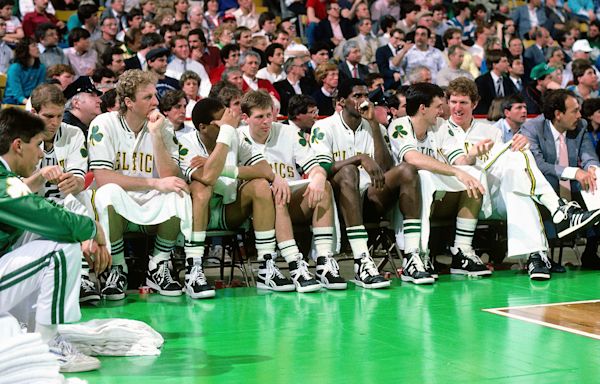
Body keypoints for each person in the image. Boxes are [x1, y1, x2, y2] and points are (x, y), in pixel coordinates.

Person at [447, 79, 600, 279]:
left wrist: (518, 146)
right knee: (520, 172)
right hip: (462, 199)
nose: (457, 108)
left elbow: (504, 169)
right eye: (453, 102)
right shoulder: (441, 129)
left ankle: (537, 256)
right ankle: (552, 224)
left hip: (492, 195)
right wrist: (473, 155)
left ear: (474, 104)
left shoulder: (490, 131)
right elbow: (455, 164)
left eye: (463, 102)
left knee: (520, 165)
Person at [0, 107, 109, 372]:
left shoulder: (6, 178)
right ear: (18, 146)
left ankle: (34, 329)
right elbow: (51, 218)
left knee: (43, 231)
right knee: (62, 248)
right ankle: (49, 345)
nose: (41, 154)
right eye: (38, 145)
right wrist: (93, 228)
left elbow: (29, 199)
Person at [88, 69, 192, 301]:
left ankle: (159, 264)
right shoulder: (103, 124)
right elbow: (103, 177)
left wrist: (156, 135)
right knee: (108, 192)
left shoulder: (162, 126)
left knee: (177, 189)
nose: (156, 102)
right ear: (128, 102)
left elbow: (169, 175)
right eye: (147, 97)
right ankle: (117, 267)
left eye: (154, 95)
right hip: (120, 203)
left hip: (151, 201)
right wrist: (155, 183)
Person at [310, 79, 423, 288]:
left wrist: (374, 125)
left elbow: (386, 169)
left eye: (365, 96)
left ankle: (411, 257)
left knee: (407, 169)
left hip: (370, 198)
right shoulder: (323, 127)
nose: (363, 101)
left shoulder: (374, 126)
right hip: (338, 200)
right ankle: (361, 259)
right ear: (342, 101)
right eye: (357, 96)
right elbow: (321, 169)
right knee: (348, 171)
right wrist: (359, 158)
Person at [176, 97, 293, 296]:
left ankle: (266, 266)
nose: (228, 126)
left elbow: (264, 169)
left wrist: (225, 168)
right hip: (194, 217)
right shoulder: (183, 142)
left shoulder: (236, 137)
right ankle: (193, 268)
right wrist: (227, 133)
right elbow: (208, 177)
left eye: (229, 123)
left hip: (229, 211)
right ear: (203, 127)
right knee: (201, 187)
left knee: (261, 186)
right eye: (222, 124)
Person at [239, 90, 342, 290]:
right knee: (276, 191)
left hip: (288, 200)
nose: (266, 121)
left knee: (324, 187)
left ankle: (324, 262)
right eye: (260, 117)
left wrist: (319, 177)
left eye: (269, 115)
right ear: (245, 118)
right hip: (254, 206)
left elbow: (315, 166)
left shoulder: (288, 132)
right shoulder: (237, 137)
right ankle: (294, 263)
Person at [388, 83, 490, 281]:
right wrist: (456, 172)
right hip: (403, 198)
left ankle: (462, 251)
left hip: (436, 194)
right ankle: (415, 254)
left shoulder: (441, 126)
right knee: (422, 176)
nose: (443, 111)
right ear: (422, 108)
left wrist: (471, 156)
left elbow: (458, 160)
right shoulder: (399, 125)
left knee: (473, 174)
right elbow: (413, 159)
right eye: (438, 106)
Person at [28, 84, 101, 302]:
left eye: (59, 116)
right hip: (32, 206)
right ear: (34, 113)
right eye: (48, 116)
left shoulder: (73, 133)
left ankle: (84, 276)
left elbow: (79, 179)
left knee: (82, 196)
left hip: (63, 203)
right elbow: (17, 188)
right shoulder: (19, 137)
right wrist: (41, 175)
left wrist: (75, 182)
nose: (55, 122)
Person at [523, 89, 600, 270]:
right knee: (549, 186)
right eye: (574, 111)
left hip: (570, 183)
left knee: (596, 180)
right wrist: (574, 172)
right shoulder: (532, 128)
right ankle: (545, 256)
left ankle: (591, 251)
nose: (580, 115)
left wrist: (592, 169)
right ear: (558, 114)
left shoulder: (580, 125)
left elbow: (589, 154)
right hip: (543, 184)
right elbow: (538, 165)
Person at [3, 37, 45, 105]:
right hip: (12, 99)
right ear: (25, 49)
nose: (38, 48)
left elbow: (40, 88)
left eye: (37, 45)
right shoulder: (14, 68)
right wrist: (30, 104)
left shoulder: (41, 67)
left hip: (31, 99)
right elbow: (17, 94)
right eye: (34, 46)